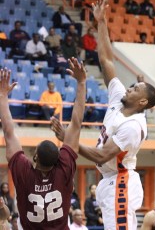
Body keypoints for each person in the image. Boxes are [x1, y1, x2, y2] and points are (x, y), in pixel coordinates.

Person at [51, 0, 155, 230]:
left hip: (121, 181)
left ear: (142, 101)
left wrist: (68, 140)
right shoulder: (119, 99)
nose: (129, 87)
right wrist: (101, 22)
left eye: (135, 88)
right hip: (109, 181)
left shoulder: (134, 126)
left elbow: (101, 156)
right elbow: (106, 60)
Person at [0, 58, 86, 230]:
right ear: (58, 159)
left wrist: (2, 97)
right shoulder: (64, 168)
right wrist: (82, 82)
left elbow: (9, 132)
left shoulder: (24, 172)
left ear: (35, 157)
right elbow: (76, 124)